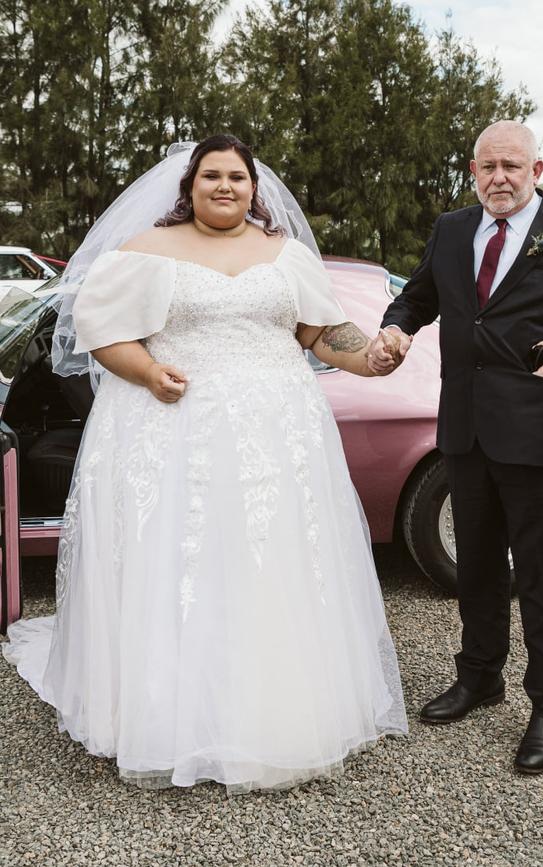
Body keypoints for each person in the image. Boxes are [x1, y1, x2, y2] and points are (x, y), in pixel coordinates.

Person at [2, 134, 408, 794]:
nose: (226, 186)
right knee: (184, 560)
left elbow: (321, 333)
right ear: (188, 187)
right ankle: (169, 714)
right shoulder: (148, 253)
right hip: (175, 425)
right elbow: (104, 333)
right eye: (212, 176)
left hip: (277, 435)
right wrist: (147, 368)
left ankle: (271, 710)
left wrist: (374, 356)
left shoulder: (286, 256)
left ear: (256, 188)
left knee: (266, 560)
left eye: (238, 177)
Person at [368, 120, 543, 773]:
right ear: (473, 171)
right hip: (463, 430)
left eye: (511, 166)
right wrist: (395, 328)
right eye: (488, 166)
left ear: (536, 170)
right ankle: (480, 677)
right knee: (480, 567)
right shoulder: (451, 229)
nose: (499, 177)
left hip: (537, 433)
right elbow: (417, 298)